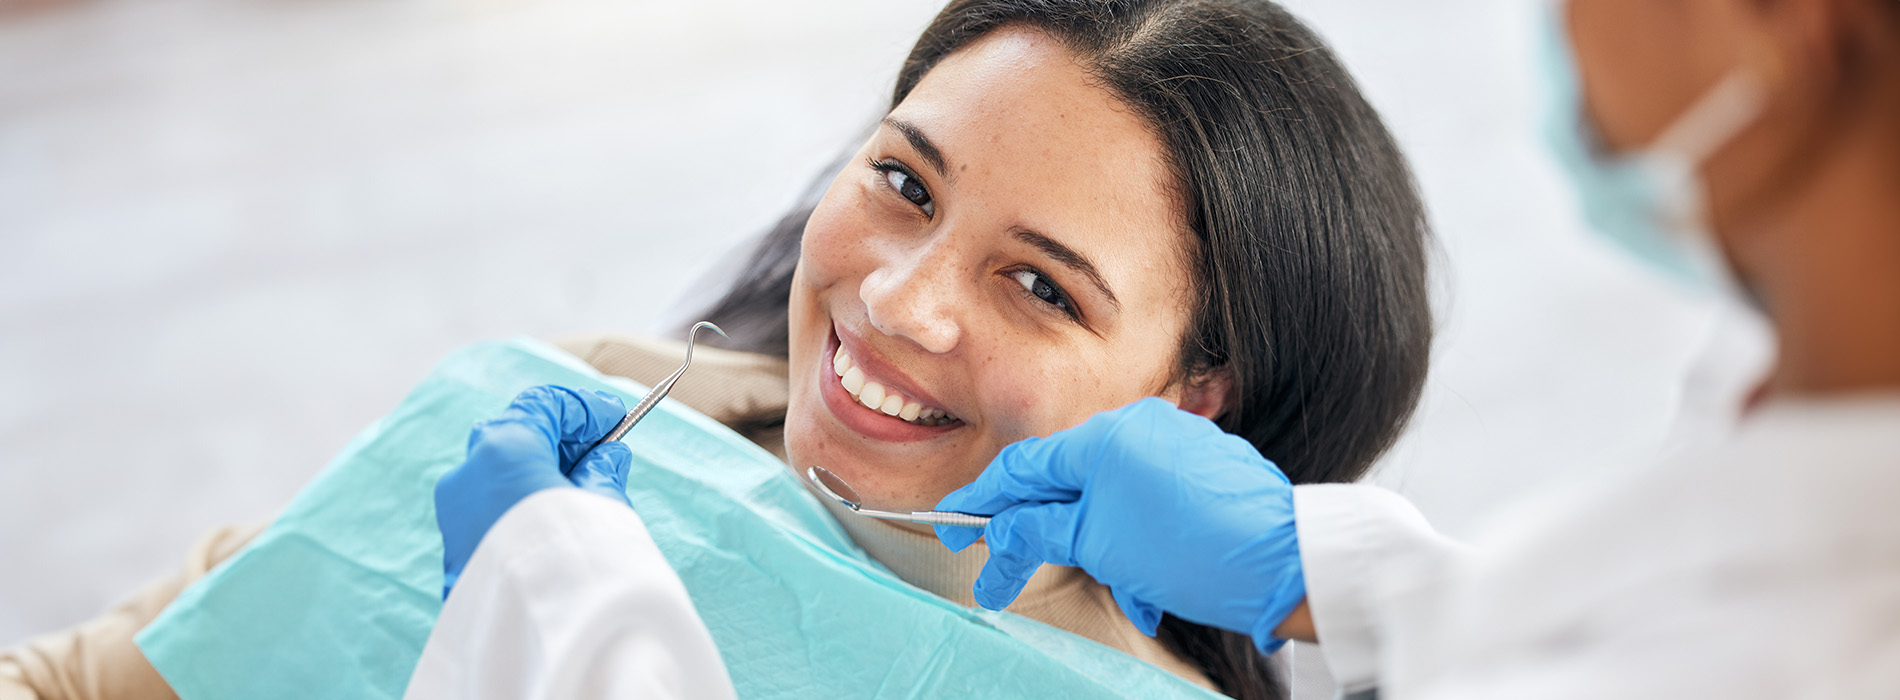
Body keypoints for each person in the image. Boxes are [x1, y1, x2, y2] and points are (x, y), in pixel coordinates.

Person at [1, 1, 1434, 698]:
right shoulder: (584, 411)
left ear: (1195, 402)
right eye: (905, 185)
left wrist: (549, 596)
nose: (899, 303)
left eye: (1042, 289)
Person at [937, 0, 1900, 696]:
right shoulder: (1812, 369)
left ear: (1788, 32)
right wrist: (1325, 583)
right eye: (905, 186)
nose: (1562, 26)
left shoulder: (1835, 648)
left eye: (1042, 287)